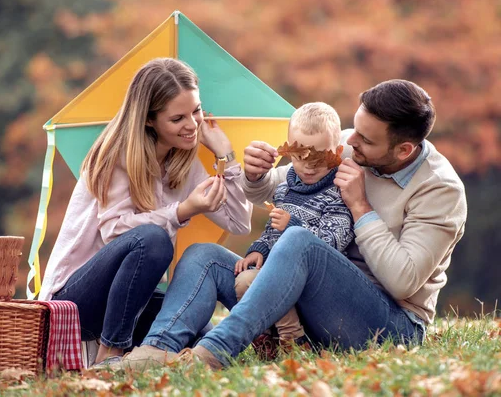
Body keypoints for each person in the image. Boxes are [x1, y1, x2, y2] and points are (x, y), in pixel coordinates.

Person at [119, 79, 467, 370]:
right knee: (203, 256)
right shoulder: (346, 145)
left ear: (404, 150)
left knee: (299, 240)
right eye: (354, 130)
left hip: (386, 324)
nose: (350, 143)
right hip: (309, 309)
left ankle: (213, 352)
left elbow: (403, 281)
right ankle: (156, 349)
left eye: (365, 140)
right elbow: (281, 186)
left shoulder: (440, 190)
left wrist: (360, 207)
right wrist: (256, 174)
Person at [38, 58, 252, 368]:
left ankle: (134, 350)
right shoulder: (115, 155)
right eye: (177, 118)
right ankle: (109, 354)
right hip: (75, 300)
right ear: (149, 120)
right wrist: (182, 211)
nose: (192, 125)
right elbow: (116, 233)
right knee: (154, 240)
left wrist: (226, 156)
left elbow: (239, 221)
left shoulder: (183, 162)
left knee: (200, 333)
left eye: (196, 111)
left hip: (129, 302)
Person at [233, 102, 354, 356]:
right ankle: (266, 340)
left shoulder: (339, 194)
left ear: (338, 151)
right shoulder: (284, 189)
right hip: (281, 270)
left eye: (319, 157)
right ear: (289, 153)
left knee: (268, 280)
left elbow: (333, 242)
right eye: (300, 156)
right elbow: (273, 228)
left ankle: (293, 340)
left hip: (316, 281)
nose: (309, 165)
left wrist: (294, 226)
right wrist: (260, 248)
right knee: (244, 281)